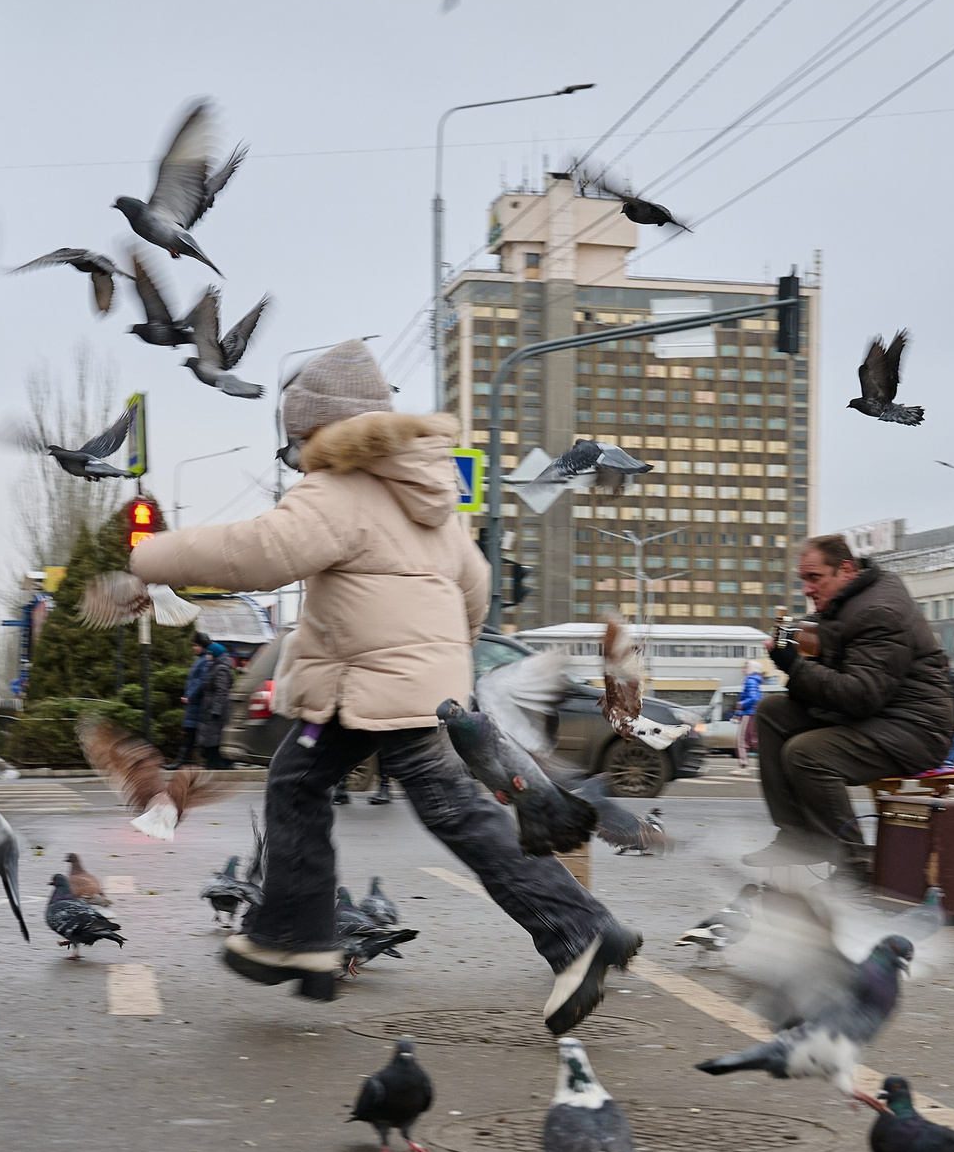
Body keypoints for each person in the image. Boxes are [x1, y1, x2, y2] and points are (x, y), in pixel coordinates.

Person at [126, 338, 640, 1028]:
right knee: (300, 781)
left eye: (299, 438)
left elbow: (260, 553)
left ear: (321, 430)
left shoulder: (338, 490)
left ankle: (578, 930)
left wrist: (150, 555)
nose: (297, 452)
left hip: (381, 690)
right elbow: (476, 586)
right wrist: (443, 654)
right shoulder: (427, 489)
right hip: (383, 688)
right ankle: (295, 936)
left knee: (451, 811)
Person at [747, 533, 954, 877]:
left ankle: (856, 868)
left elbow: (861, 695)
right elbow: (834, 676)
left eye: (815, 578)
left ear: (845, 569)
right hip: (880, 717)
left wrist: (797, 666)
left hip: (915, 728)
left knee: (807, 753)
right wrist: (798, 650)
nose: (807, 589)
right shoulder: (844, 603)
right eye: (803, 580)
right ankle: (798, 837)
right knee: (771, 713)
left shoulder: (879, 611)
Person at [184, 640, 235, 771]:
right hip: (210, 707)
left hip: (215, 709)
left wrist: (216, 709)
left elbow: (221, 690)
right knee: (210, 738)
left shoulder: (221, 669)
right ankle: (214, 763)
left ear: (214, 654)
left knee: (213, 738)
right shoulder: (216, 666)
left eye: (209, 653)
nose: (206, 656)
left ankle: (216, 764)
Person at [733, 658, 766, 767]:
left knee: (741, 739)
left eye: (745, 667)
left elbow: (754, 697)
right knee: (753, 740)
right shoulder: (755, 680)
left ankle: (743, 765)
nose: (743, 669)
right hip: (751, 712)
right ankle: (769, 759)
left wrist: (741, 705)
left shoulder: (750, 680)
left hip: (748, 713)